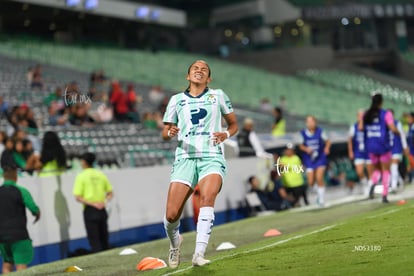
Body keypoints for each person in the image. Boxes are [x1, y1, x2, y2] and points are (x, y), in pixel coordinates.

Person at [161, 60, 238, 268]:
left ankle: (199, 253)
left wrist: (226, 134)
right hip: (185, 158)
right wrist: (170, 132)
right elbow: (165, 133)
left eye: (204, 69)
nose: (199, 71)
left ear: (209, 78)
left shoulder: (218, 95)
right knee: (171, 215)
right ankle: (175, 242)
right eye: (195, 68)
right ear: (188, 76)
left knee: (207, 196)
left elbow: (233, 124)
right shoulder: (176, 100)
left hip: (211, 156)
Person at [0, 151, 41, 273]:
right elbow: (34, 209)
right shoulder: (21, 191)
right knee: (21, 265)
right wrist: (37, 214)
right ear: (15, 175)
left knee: (7, 263)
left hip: (1, 236)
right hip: (19, 234)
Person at [359, 94, 399, 203]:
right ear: (381, 102)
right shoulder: (386, 114)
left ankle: (372, 184)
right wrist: (398, 133)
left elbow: (361, 128)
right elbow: (392, 127)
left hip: (371, 146)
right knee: (386, 170)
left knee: (377, 170)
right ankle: (384, 195)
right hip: (383, 146)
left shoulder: (366, 114)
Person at [73, 152, 113, 253]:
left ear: (84, 162)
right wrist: (103, 202)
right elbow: (110, 193)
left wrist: (93, 204)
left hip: (90, 209)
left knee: (94, 240)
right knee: (104, 238)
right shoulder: (100, 174)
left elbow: (78, 197)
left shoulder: (81, 176)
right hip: (102, 208)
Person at [299, 115, 331, 207]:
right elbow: (301, 146)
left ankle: (321, 199)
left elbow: (328, 141)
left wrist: (327, 148)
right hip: (309, 160)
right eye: (308, 122)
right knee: (310, 182)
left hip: (320, 158)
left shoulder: (320, 131)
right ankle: (319, 192)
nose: (310, 124)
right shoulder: (303, 133)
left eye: (312, 121)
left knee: (319, 177)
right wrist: (306, 149)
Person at [348, 110, 372, 195]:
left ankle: (370, 188)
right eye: (360, 116)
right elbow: (350, 140)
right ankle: (365, 185)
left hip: (369, 152)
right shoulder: (353, 127)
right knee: (360, 172)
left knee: (370, 172)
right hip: (358, 152)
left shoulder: (369, 126)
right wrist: (350, 151)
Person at [388, 109, 409, 192]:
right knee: (391, 168)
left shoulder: (397, 123)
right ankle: (400, 181)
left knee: (394, 167)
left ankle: (393, 186)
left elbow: (402, 136)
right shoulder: (385, 125)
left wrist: (405, 146)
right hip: (388, 149)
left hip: (397, 148)